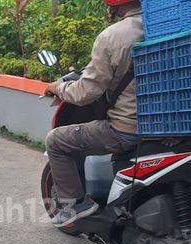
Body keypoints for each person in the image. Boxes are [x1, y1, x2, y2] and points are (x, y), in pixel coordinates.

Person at [43, 0, 143, 227]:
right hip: (170, 129)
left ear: (114, 6)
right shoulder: (165, 29)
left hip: (126, 130)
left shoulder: (112, 36)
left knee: (55, 141)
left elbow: (86, 92)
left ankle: (76, 205)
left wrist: (58, 87)